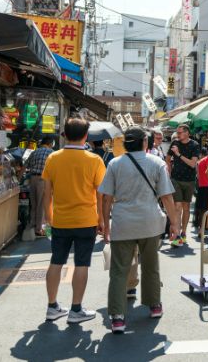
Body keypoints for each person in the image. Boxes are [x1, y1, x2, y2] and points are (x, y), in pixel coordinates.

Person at [99, 126, 180, 334]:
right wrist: (175, 223)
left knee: (119, 270)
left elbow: (106, 197)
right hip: (150, 222)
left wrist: (105, 224)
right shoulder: (157, 163)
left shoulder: (115, 164)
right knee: (151, 266)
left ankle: (117, 317)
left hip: (122, 222)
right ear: (145, 142)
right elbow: (166, 197)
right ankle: (154, 305)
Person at [42, 117, 106, 324]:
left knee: (56, 262)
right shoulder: (95, 160)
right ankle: (76, 309)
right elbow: (101, 194)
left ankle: (52, 307)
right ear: (86, 136)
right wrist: (102, 220)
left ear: (65, 134)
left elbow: (47, 194)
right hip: (86, 219)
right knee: (81, 264)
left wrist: (49, 217)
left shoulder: (53, 158)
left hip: (60, 220)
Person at [166, 124, 201, 246]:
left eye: (180, 132)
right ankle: (177, 234)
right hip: (176, 179)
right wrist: (169, 169)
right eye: (177, 132)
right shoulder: (175, 143)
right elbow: (168, 157)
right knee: (177, 206)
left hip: (190, 180)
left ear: (187, 133)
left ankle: (184, 232)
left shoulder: (195, 145)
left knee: (186, 207)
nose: (177, 135)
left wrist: (178, 154)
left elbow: (192, 164)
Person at [24, 135, 55, 236]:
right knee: (42, 204)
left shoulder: (34, 152)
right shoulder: (51, 153)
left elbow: (26, 166)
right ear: (50, 144)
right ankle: (39, 229)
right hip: (43, 180)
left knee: (34, 204)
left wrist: (19, 179)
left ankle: (32, 226)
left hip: (33, 179)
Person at [194, 142, 208, 233]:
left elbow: (198, 176)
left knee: (201, 209)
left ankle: (201, 227)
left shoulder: (200, 162)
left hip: (202, 186)